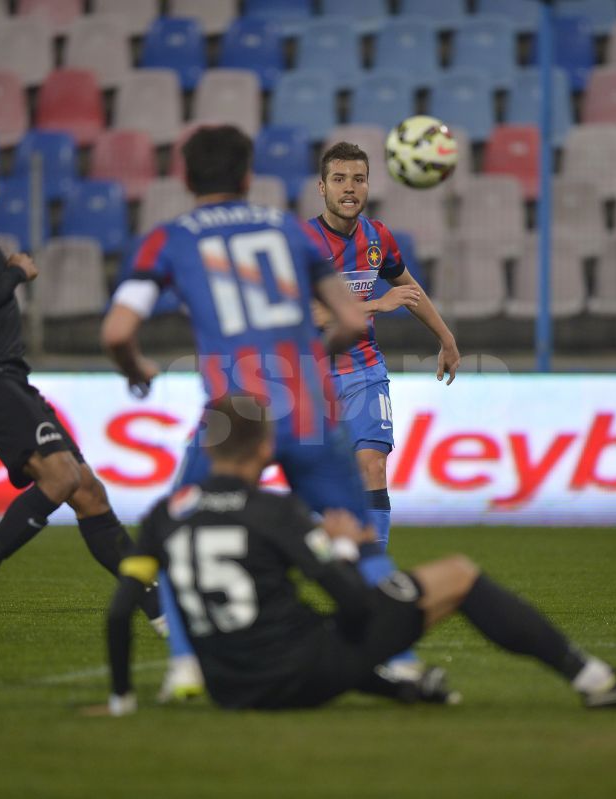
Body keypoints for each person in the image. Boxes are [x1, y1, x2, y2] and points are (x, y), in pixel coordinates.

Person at [101, 394, 616, 713]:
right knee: (458, 575)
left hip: (230, 687)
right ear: (267, 449)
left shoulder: (161, 515)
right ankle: (594, 681)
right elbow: (353, 607)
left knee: (323, 635)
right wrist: (345, 549)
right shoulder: (278, 512)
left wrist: (123, 700)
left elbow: (118, 610)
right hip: (299, 675)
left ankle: (405, 687)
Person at [101, 125, 414, 701]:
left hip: (233, 417)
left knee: (178, 528)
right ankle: (401, 658)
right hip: (308, 407)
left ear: (185, 177)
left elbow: (118, 329)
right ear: (248, 178)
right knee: (361, 538)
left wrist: (135, 368)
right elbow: (349, 320)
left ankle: (186, 664)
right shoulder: (290, 230)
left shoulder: (167, 239)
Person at [0, 143, 161, 635]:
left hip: (3, 378)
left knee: (88, 492)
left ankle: (160, 611)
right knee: (61, 477)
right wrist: (16, 271)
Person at [307, 141, 460, 550]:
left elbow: (408, 289)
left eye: (358, 179)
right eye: (339, 179)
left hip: (364, 371)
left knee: (373, 467)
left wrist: (445, 337)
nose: (349, 188)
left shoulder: (378, 237)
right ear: (322, 187)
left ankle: (375, 571)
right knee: (313, 486)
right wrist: (374, 303)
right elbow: (302, 315)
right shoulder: (303, 242)